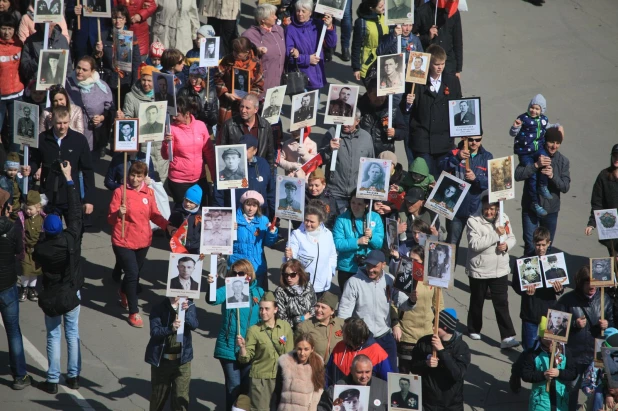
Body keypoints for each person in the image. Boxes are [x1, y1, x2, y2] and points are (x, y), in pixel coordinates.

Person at [33, 162, 83, 393]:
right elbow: (74, 212)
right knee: (72, 333)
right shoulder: (71, 239)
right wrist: (69, 180)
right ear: (61, 228)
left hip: (52, 294)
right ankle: (73, 376)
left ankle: (52, 379)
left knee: (53, 335)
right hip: (71, 291)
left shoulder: (41, 249)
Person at [107, 161, 173, 327]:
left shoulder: (148, 193)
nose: (135, 179)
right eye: (132, 175)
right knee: (132, 274)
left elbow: (155, 215)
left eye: (139, 176)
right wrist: (117, 213)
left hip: (143, 241)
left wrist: (167, 226)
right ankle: (133, 312)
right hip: (123, 240)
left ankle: (123, 291)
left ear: (144, 177)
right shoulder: (120, 192)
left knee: (133, 274)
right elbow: (110, 218)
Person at [338, 250, 417, 372]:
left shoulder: (390, 280)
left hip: (385, 336)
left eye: (374, 266)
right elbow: (344, 312)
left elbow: (401, 303)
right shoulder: (353, 282)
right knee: (365, 376)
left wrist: (411, 301)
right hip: (363, 339)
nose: (370, 269)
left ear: (383, 265)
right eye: (368, 265)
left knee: (391, 376)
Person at [206, 260, 265, 410]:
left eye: (241, 273)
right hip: (228, 347)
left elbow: (265, 317)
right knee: (233, 387)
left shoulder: (259, 292)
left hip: (250, 348)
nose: (237, 276)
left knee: (245, 389)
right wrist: (211, 284)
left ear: (249, 275)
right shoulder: (229, 288)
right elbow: (212, 300)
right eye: (234, 273)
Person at [555, 265, 614, 411]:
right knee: (572, 388)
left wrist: (608, 324)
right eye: (588, 283)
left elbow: (613, 323)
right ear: (581, 283)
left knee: (596, 391)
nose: (592, 286)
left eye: (594, 283)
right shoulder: (567, 300)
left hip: (597, 354)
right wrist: (574, 324)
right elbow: (555, 327)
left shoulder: (604, 299)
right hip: (574, 353)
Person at [466, 192, 520, 348]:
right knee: (477, 300)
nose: (489, 212)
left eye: (492, 209)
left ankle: (507, 337)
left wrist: (507, 245)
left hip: (500, 269)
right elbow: (475, 245)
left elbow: (512, 237)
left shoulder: (504, 218)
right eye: (486, 208)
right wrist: (496, 234)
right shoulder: (473, 221)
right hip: (479, 269)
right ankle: (474, 328)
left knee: (502, 303)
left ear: (497, 208)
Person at [28, 106, 95, 221]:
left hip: (71, 195)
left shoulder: (79, 140)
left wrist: (88, 199)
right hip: (48, 196)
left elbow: (87, 170)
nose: (62, 126)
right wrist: (30, 169)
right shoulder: (42, 139)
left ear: (69, 120)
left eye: (65, 122)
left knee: (75, 234)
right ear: (52, 120)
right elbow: (35, 161)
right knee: (50, 232)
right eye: (59, 123)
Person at [406, 44, 462, 178]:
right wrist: (409, 103)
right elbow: (408, 111)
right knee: (425, 179)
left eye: (442, 64)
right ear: (429, 64)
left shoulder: (452, 81)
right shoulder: (417, 82)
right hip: (423, 142)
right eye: (437, 64)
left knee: (441, 180)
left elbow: (458, 106)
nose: (440, 67)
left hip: (444, 142)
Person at [439, 135, 493, 263]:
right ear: (465, 139)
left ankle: (477, 279)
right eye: (471, 140)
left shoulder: (487, 157)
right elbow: (441, 167)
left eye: (478, 140)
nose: (474, 143)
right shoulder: (454, 152)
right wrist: (457, 158)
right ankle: (447, 280)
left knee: (478, 246)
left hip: (476, 210)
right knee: (451, 245)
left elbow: (493, 182)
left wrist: (476, 179)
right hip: (454, 208)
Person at [237, 291, 294, 411]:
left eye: (267, 309)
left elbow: (290, 354)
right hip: (261, 380)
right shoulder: (254, 330)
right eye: (261, 309)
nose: (263, 312)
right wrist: (242, 347)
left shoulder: (285, 327)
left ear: (276, 309)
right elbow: (245, 358)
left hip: (281, 378)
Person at [390, 244, 442, 375]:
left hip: (426, 334)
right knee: (404, 373)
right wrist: (395, 324)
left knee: (423, 374)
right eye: (411, 260)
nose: (413, 264)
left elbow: (439, 306)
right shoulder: (403, 276)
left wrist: (439, 329)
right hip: (407, 333)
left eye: (416, 261)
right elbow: (393, 304)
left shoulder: (433, 279)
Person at [510, 94, 563, 217]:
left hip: (537, 149)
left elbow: (548, 126)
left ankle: (543, 186)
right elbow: (513, 133)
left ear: (542, 110)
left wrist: (556, 125)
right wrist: (515, 127)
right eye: (532, 108)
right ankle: (534, 202)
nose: (533, 111)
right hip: (525, 152)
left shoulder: (543, 119)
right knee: (532, 176)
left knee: (546, 161)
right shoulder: (523, 118)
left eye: (537, 109)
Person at [511, 227, 564, 351]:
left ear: (549, 243)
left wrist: (558, 288)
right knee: (530, 350)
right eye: (538, 245)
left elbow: (561, 286)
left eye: (543, 245)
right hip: (530, 313)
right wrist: (525, 291)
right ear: (533, 243)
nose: (541, 248)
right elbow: (516, 285)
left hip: (550, 313)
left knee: (553, 350)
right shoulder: (523, 261)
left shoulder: (555, 261)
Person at [0, 188, 32, 390]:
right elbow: (20, 252)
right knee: (13, 331)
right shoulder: (12, 228)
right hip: (7, 285)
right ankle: (20, 375)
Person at [410, 309, 471, 411]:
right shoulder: (424, 342)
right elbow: (413, 367)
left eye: (437, 325)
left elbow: (458, 374)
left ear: (446, 328)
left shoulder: (461, 347)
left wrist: (442, 351)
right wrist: (426, 363)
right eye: (433, 324)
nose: (433, 327)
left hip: (451, 405)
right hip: (428, 402)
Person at [145, 296, 198, 411]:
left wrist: (186, 312)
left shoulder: (190, 305)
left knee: (181, 398)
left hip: (182, 361)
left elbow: (194, 325)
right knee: (158, 398)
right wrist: (171, 328)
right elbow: (154, 332)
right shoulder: (159, 308)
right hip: (163, 361)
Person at [161, 96, 215, 206]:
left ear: (187, 114)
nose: (174, 118)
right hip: (179, 180)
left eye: (177, 115)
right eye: (173, 115)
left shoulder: (200, 126)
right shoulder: (171, 128)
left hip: (199, 178)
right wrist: (166, 143)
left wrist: (214, 175)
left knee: (201, 210)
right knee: (183, 213)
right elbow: (166, 156)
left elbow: (209, 152)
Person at [321, 110, 375, 211]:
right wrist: (329, 149)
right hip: (334, 191)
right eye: (344, 120)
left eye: (349, 121)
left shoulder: (366, 137)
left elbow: (371, 164)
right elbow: (320, 160)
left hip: (356, 194)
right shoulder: (332, 133)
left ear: (357, 121)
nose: (345, 124)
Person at [520, 318, 577, 411]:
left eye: (552, 337)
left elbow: (573, 372)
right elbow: (525, 374)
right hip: (540, 401)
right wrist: (543, 375)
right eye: (546, 337)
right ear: (541, 337)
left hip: (560, 401)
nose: (550, 340)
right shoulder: (533, 353)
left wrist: (559, 373)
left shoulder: (565, 352)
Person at [214, 135, 276, 219]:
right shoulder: (229, 169)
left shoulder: (263, 164)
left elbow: (271, 191)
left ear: (255, 151)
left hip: (259, 217)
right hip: (237, 217)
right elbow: (218, 196)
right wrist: (221, 216)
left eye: (246, 148)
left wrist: (274, 215)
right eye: (241, 147)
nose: (243, 150)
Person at [92, 6, 140, 113]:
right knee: (109, 110)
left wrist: (134, 83)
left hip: (125, 82)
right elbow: (96, 62)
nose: (117, 21)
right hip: (108, 81)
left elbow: (136, 62)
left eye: (121, 18)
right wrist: (98, 52)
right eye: (115, 18)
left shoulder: (131, 37)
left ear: (125, 20)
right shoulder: (103, 36)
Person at [65, 56, 115, 156]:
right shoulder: (66, 83)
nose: (80, 71)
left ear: (92, 71)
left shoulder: (102, 87)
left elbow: (110, 109)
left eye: (84, 70)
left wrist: (101, 117)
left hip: (93, 136)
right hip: (71, 132)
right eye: (78, 68)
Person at [229, 190, 278, 290]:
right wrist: (227, 229)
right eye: (248, 204)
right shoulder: (233, 218)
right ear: (243, 204)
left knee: (255, 297)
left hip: (256, 264)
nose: (251, 208)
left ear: (258, 207)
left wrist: (271, 233)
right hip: (237, 263)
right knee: (237, 297)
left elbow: (268, 243)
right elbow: (223, 240)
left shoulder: (263, 220)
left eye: (254, 205)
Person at [286, 203, 338, 296]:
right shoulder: (297, 234)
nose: (308, 224)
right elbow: (290, 261)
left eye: (312, 222)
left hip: (321, 286)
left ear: (320, 221)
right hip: (301, 286)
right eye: (306, 220)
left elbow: (332, 255)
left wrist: (330, 272)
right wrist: (289, 256)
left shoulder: (328, 234)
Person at [333, 194, 385, 287]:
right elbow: (337, 244)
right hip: (347, 268)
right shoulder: (341, 219)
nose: (355, 206)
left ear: (366, 205)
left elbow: (379, 244)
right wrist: (356, 242)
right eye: (353, 202)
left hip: (368, 267)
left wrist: (372, 237)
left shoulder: (375, 218)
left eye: (359, 204)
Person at [286, 0, 336, 91]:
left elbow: (331, 43)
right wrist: (308, 59)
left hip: (316, 76)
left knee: (315, 105)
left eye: (303, 11)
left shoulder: (318, 24)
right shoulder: (290, 29)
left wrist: (329, 27)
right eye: (298, 10)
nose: (300, 14)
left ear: (310, 13)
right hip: (300, 78)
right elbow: (289, 56)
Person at [325, 318, 391, 386]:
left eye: (343, 331)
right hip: (338, 395)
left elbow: (389, 382)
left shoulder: (378, 353)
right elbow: (328, 374)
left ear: (352, 336)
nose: (341, 334)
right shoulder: (339, 347)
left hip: (367, 395)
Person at [215, 37, 264, 124]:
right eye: (234, 51)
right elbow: (217, 78)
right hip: (228, 104)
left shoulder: (256, 63)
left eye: (238, 53)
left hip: (246, 106)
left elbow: (258, 86)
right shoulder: (227, 60)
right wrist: (225, 93)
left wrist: (248, 99)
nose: (234, 54)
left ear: (247, 52)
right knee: (227, 130)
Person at [218, 95, 275, 169]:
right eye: (242, 106)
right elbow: (220, 152)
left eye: (247, 108)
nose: (243, 110)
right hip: (237, 172)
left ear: (256, 109)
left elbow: (270, 155)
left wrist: (270, 177)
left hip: (258, 171)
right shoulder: (229, 125)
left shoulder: (265, 126)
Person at [242, 3, 286, 96]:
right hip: (262, 81)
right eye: (272, 15)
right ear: (263, 19)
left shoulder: (279, 30)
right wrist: (257, 50)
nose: (275, 17)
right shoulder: (249, 34)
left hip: (279, 79)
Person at [272, 333, 325, 411]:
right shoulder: (285, 363)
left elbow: (319, 390)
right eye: (299, 349)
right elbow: (277, 391)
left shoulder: (318, 364)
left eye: (306, 349)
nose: (302, 353)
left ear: (312, 349)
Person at [318, 354, 388, 411]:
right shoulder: (335, 390)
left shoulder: (383, 388)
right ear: (351, 370)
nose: (364, 376)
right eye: (359, 372)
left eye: (367, 372)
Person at [358, 79, 407, 157]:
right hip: (362, 153)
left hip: (384, 154)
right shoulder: (359, 106)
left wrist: (395, 132)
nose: (380, 98)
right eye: (376, 94)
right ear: (368, 93)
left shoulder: (393, 108)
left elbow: (404, 131)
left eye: (382, 94)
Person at [585, 144, 618, 257]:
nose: (616, 159)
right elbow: (597, 203)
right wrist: (592, 223)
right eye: (614, 156)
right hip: (611, 228)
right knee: (614, 262)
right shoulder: (604, 176)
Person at [413, 0, 462, 76]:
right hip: (428, 64)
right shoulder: (421, 12)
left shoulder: (452, 11)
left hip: (448, 63)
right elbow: (412, 39)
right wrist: (428, 36)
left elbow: (457, 41)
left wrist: (458, 69)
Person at [296, 292, 344, 361]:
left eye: (323, 307)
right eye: (317, 306)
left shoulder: (341, 324)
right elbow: (297, 351)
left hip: (336, 368)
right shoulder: (304, 327)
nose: (318, 310)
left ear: (332, 311)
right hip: (315, 368)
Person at [17, 191, 46, 302]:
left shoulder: (43, 219)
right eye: (26, 209)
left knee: (35, 271)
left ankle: (31, 288)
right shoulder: (22, 219)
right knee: (25, 271)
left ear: (38, 208)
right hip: (25, 250)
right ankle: (23, 288)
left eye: (30, 209)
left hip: (37, 251)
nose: (28, 211)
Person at [0, 12, 24, 146]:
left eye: (10, 28)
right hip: (1, 96)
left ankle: (13, 160)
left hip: (16, 94)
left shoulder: (19, 44)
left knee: (16, 131)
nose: (7, 32)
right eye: (3, 28)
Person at [351, 0, 389, 86]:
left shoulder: (386, 16)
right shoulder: (361, 23)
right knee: (373, 95)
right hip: (369, 63)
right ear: (372, 8)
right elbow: (356, 46)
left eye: (384, 4)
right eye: (380, 7)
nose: (384, 8)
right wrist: (356, 68)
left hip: (385, 61)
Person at [274, 259, 317, 329]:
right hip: (291, 331)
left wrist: (311, 316)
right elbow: (281, 319)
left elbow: (314, 306)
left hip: (309, 327)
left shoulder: (308, 286)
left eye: (293, 275)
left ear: (300, 274)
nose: (289, 278)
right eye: (286, 275)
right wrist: (301, 318)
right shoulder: (280, 291)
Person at [166, 185, 202, 255]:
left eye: (191, 202)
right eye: (186, 200)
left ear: (197, 203)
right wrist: (172, 232)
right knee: (178, 263)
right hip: (179, 245)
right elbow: (170, 225)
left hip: (195, 246)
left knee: (193, 263)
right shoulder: (177, 212)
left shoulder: (200, 215)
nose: (188, 204)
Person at [0, 152, 28, 220]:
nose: (12, 172)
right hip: (8, 206)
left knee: (18, 222)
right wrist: (7, 204)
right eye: (10, 170)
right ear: (6, 168)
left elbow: (25, 186)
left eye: (15, 170)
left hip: (18, 205)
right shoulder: (2, 180)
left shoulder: (19, 177)